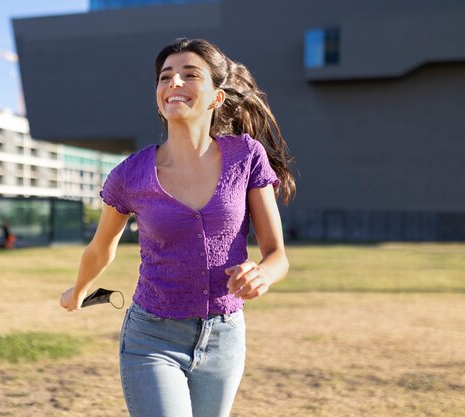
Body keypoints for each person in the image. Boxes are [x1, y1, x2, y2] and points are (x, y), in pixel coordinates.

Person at [60, 38, 296, 417]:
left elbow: (277, 255)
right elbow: (101, 248)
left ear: (216, 98)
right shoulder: (130, 175)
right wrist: (79, 291)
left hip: (224, 336)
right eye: (165, 76)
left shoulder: (246, 156)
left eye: (190, 75)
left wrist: (262, 274)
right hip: (151, 337)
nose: (174, 83)